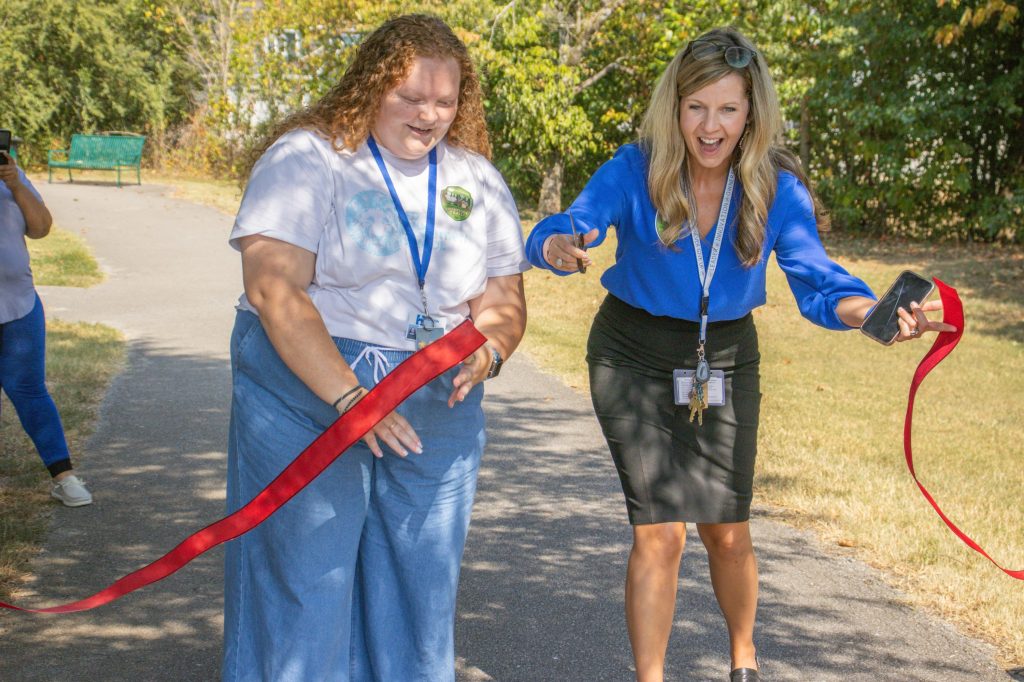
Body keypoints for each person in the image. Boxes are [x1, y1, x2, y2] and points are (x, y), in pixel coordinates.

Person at [525, 27, 954, 682]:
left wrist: (869, 312)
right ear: (675, 108)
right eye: (696, 106)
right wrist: (560, 243)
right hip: (630, 352)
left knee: (725, 529)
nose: (709, 125)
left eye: (726, 108)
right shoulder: (635, 166)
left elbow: (818, 281)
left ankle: (743, 661)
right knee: (660, 529)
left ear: (752, 111)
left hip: (721, 358)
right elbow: (579, 217)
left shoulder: (776, 187)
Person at [221, 14, 529, 682]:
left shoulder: (476, 177)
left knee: (421, 584)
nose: (428, 115)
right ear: (369, 86)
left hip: (435, 401)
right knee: (307, 577)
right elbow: (274, 290)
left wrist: (493, 348)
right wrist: (353, 398)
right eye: (411, 97)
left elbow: (504, 297)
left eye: (444, 102)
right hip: (309, 389)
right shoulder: (308, 157)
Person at [0, 148, 93, 507]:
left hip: (19, 305)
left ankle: (65, 477)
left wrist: (17, 185)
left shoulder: (12, 176)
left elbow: (41, 228)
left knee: (31, 392)